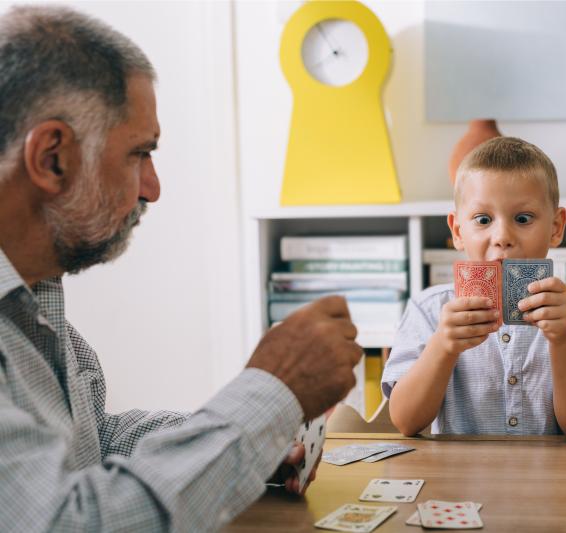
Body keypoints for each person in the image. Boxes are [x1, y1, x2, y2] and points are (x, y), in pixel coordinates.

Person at [0, 5, 362, 532]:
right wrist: (267, 395)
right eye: (139, 154)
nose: (153, 187)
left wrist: (256, 435)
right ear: (53, 157)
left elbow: (90, 441)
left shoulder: (35, 295)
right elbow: (69, 523)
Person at [382, 137, 566, 442]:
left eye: (523, 218)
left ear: (556, 228)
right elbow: (405, 422)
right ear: (457, 231)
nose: (502, 237)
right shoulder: (428, 310)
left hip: (553, 483)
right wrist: (442, 345)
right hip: (459, 482)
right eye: (483, 219)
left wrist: (563, 338)